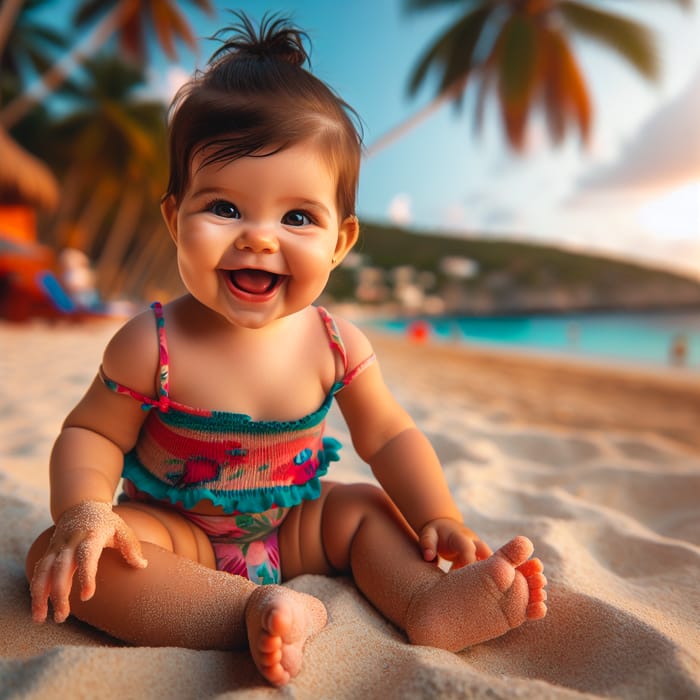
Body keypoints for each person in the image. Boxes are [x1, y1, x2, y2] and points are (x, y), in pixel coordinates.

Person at [25, 14, 547, 687]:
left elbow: (388, 436)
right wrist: (87, 511)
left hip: (297, 527)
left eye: (297, 217)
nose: (259, 239)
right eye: (225, 208)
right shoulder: (150, 342)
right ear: (173, 219)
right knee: (69, 558)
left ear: (341, 241)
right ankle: (248, 610)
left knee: (361, 508)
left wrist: (436, 515)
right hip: (176, 530)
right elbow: (91, 432)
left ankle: (426, 601)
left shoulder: (335, 345)